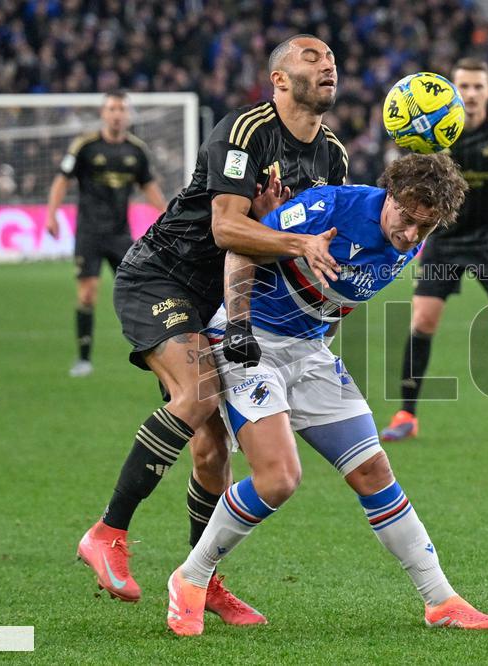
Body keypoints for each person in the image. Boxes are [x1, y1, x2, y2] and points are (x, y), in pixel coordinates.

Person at [166, 153, 488, 635]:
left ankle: (440, 599)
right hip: (249, 342)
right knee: (279, 478)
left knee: (373, 469)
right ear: (389, 197)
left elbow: (337, 298)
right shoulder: (329, 208)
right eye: (405, 218)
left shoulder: (407, 244)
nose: (410, 235)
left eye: (423, 229)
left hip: (310, 352)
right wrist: (238, 325)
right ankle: (191, 578)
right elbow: (241, 246)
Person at [76, 35, 347, 626]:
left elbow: (296, 243)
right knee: (196, 394)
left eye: (330, 58)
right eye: (310, 57)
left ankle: (202, 580)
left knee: (208, 452)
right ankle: (107, 532)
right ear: (278, 79)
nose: (327, 64)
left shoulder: (333, 156)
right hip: (161, 276)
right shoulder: (244, 130)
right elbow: (226, 228)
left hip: (221, 298)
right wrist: (290, 236)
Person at [381, 58, 488, 443]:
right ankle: (406, 413)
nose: (471, 94)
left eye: (478, 86)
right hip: (444, 238)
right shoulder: (435, 135)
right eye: (464, 86)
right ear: (451, 91)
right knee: (423, 320)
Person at [45, 91, 168, 378]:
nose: (117, 114)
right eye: (112, 109)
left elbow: (148, 185)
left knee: (137, 292)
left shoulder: (136, 151)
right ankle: (84, 359)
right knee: (87, 295)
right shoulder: (85, 146)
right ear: (103, 113)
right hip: (88, 232)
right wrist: (51, 214)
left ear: (128, 115)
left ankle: (150, 353)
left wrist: (166, 214)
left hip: (120, 234)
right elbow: (61, 180)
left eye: (122, 109)